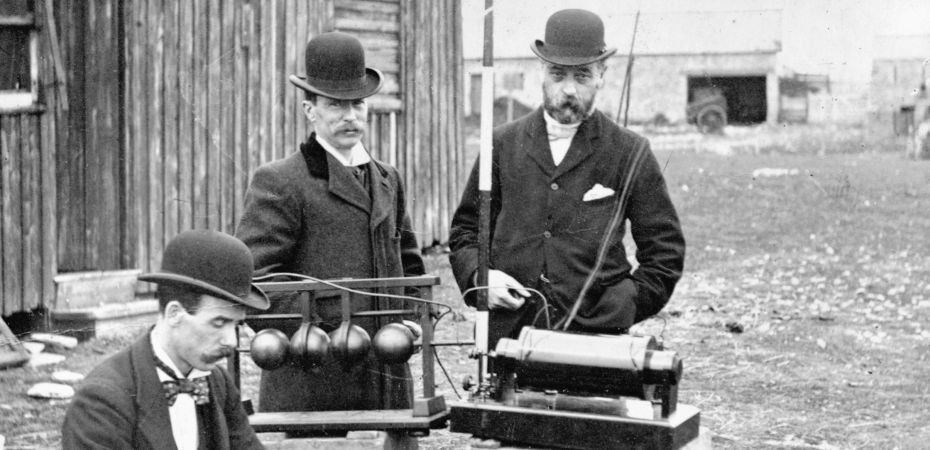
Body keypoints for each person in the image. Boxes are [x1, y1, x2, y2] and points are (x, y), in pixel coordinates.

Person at [449, 9, 686, 349]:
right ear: (541, 73)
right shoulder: (500, 144)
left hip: (597, 343)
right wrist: (480, 278)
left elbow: (665, 251)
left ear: (601, 75)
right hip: (509, 337)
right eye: (558, 75)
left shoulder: (629, 151)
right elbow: (465, 232)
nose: (569, 89)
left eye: (583, 76)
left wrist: (624, 304)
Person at [235, 32, 425, 414]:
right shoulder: (282, 180)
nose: (350, 116)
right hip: (314, 380)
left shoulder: (388, 178)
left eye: (358, 104)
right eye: (336, 105)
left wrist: (411, 320)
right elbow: (255, 281)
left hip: (387, 377)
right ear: (311, 111)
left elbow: (410, 264)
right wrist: (321, 333)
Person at [61, 230, 270, 450]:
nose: (232, 341)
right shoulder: (102, 400)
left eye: (236, 325)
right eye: (219, 323)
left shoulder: (219, 384)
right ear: (174, 314)